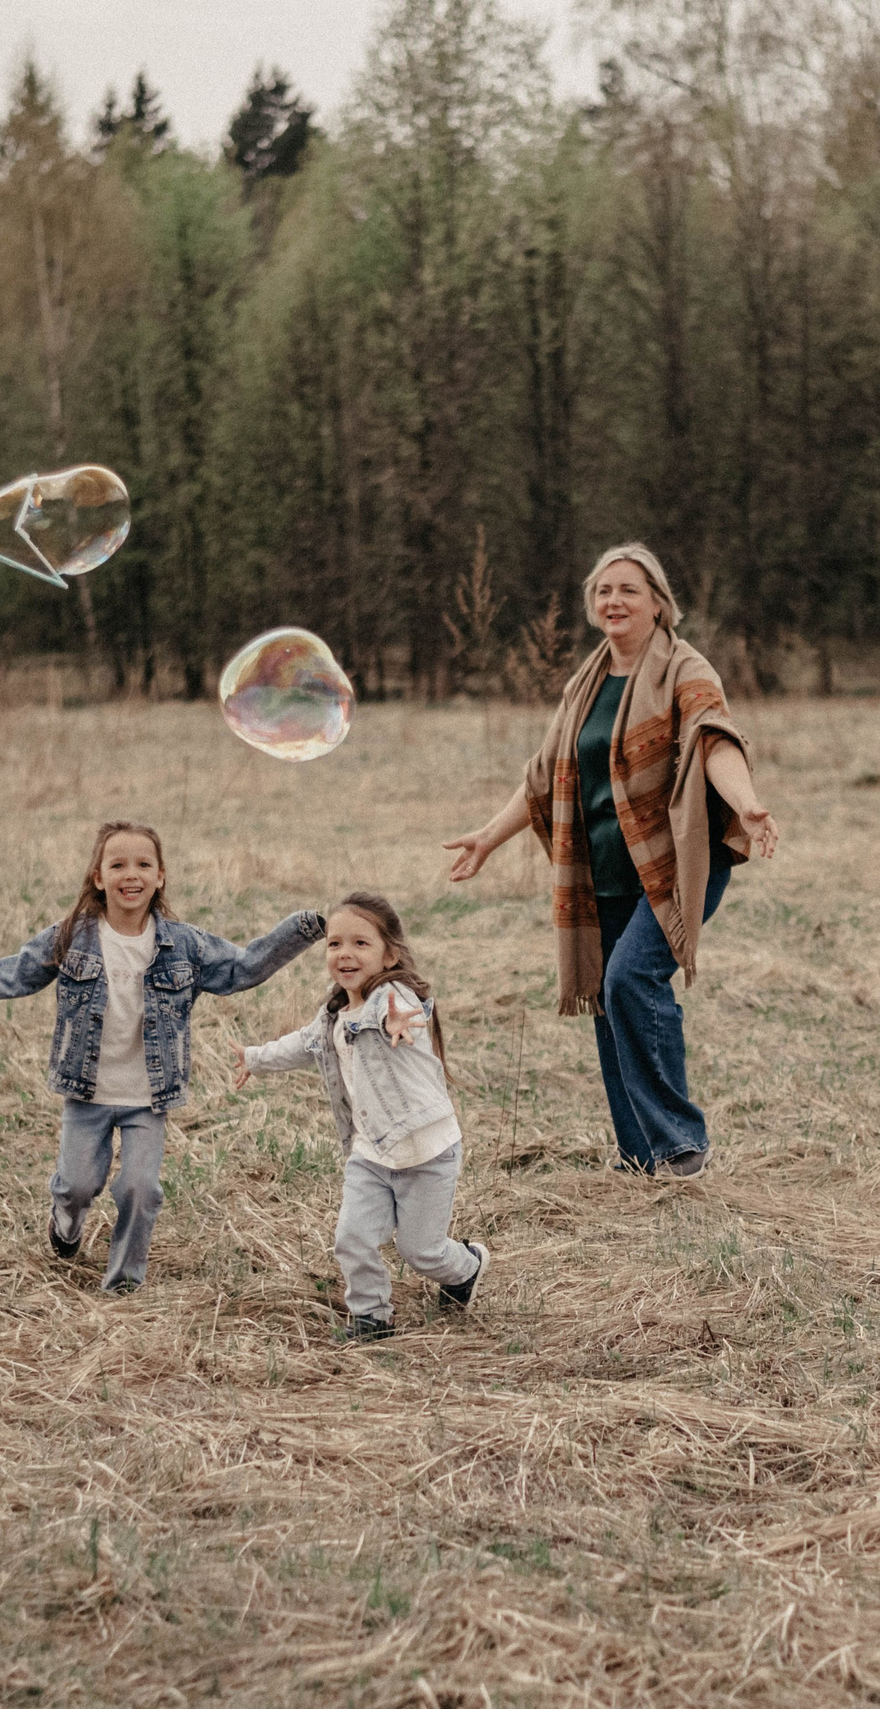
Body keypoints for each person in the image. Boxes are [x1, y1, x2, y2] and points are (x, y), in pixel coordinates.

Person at [441, 544, 780, 1178]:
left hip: (674, 867)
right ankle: (641, 1156)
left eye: (628, 590)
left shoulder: (684, 668)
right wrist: (489, 837)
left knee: (631, 981)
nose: (613, 602)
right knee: (607, 996)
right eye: (603, 591)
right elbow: (543, 777)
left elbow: (713, 741)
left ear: (658, 602)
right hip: (603, 871)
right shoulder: (587, 681)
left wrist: (748, 803)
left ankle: (680, 1142)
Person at [0, 821, 323, 1293]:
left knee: (140, 1190)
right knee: (78, 1184)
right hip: (88, 1091)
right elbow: (9, 976)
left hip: (149, 1095)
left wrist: (301, 931)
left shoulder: (184, 944)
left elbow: (242, 968)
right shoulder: (72, 937)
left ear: (161, 876)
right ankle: (66, 1220)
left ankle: (123, 1281)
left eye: (144, 864)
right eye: (118, 864)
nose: (132, 874)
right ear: (99, 877)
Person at [236, 892, 488, 1341]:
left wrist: (396, 1020)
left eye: (360, 943)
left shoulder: (392, 997)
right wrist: (255, 1059)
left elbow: (402, 1013)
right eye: (335, 944)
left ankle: (466, 1267)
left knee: (421, 1251)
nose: (345, 954)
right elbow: (302, 1044)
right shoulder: (333, 1014)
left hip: (426, 1150)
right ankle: (371, 1316)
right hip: (370, 1151)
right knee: (351, 1237)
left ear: (390, 954)